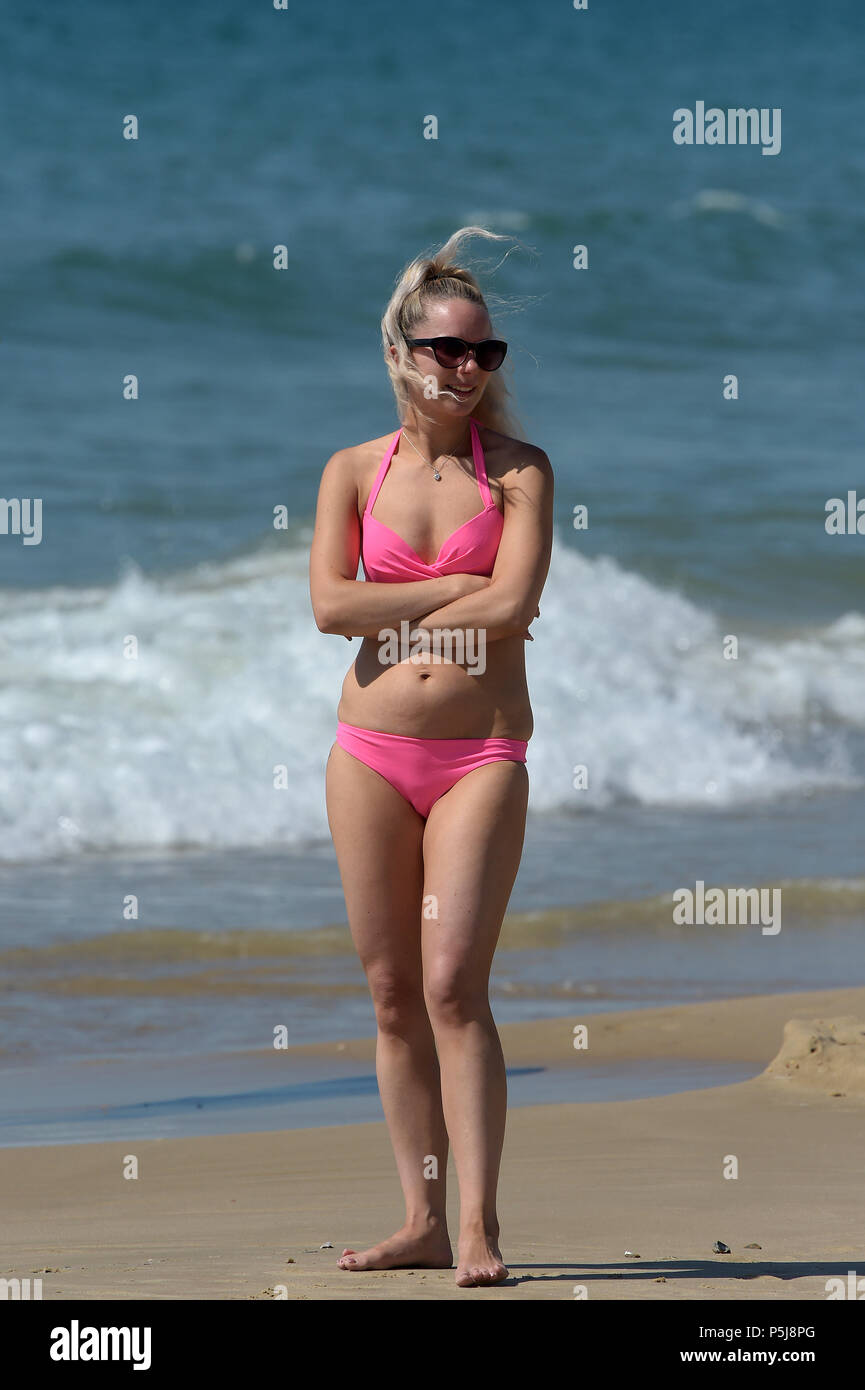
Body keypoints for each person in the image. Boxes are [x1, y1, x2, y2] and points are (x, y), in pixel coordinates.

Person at [309, 226, 553, 1288]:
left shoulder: (523, 475)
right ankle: (416, 1215)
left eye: (485, 353)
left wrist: (403, 605)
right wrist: (455, 594)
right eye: (450, 349)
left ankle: (476, 1229)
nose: (469, 369)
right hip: (366, 750)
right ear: (403, 349)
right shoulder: (351, 470)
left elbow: (514, 605)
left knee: (454, 984)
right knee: (391, 993)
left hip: (479, 753)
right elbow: (328, 606)